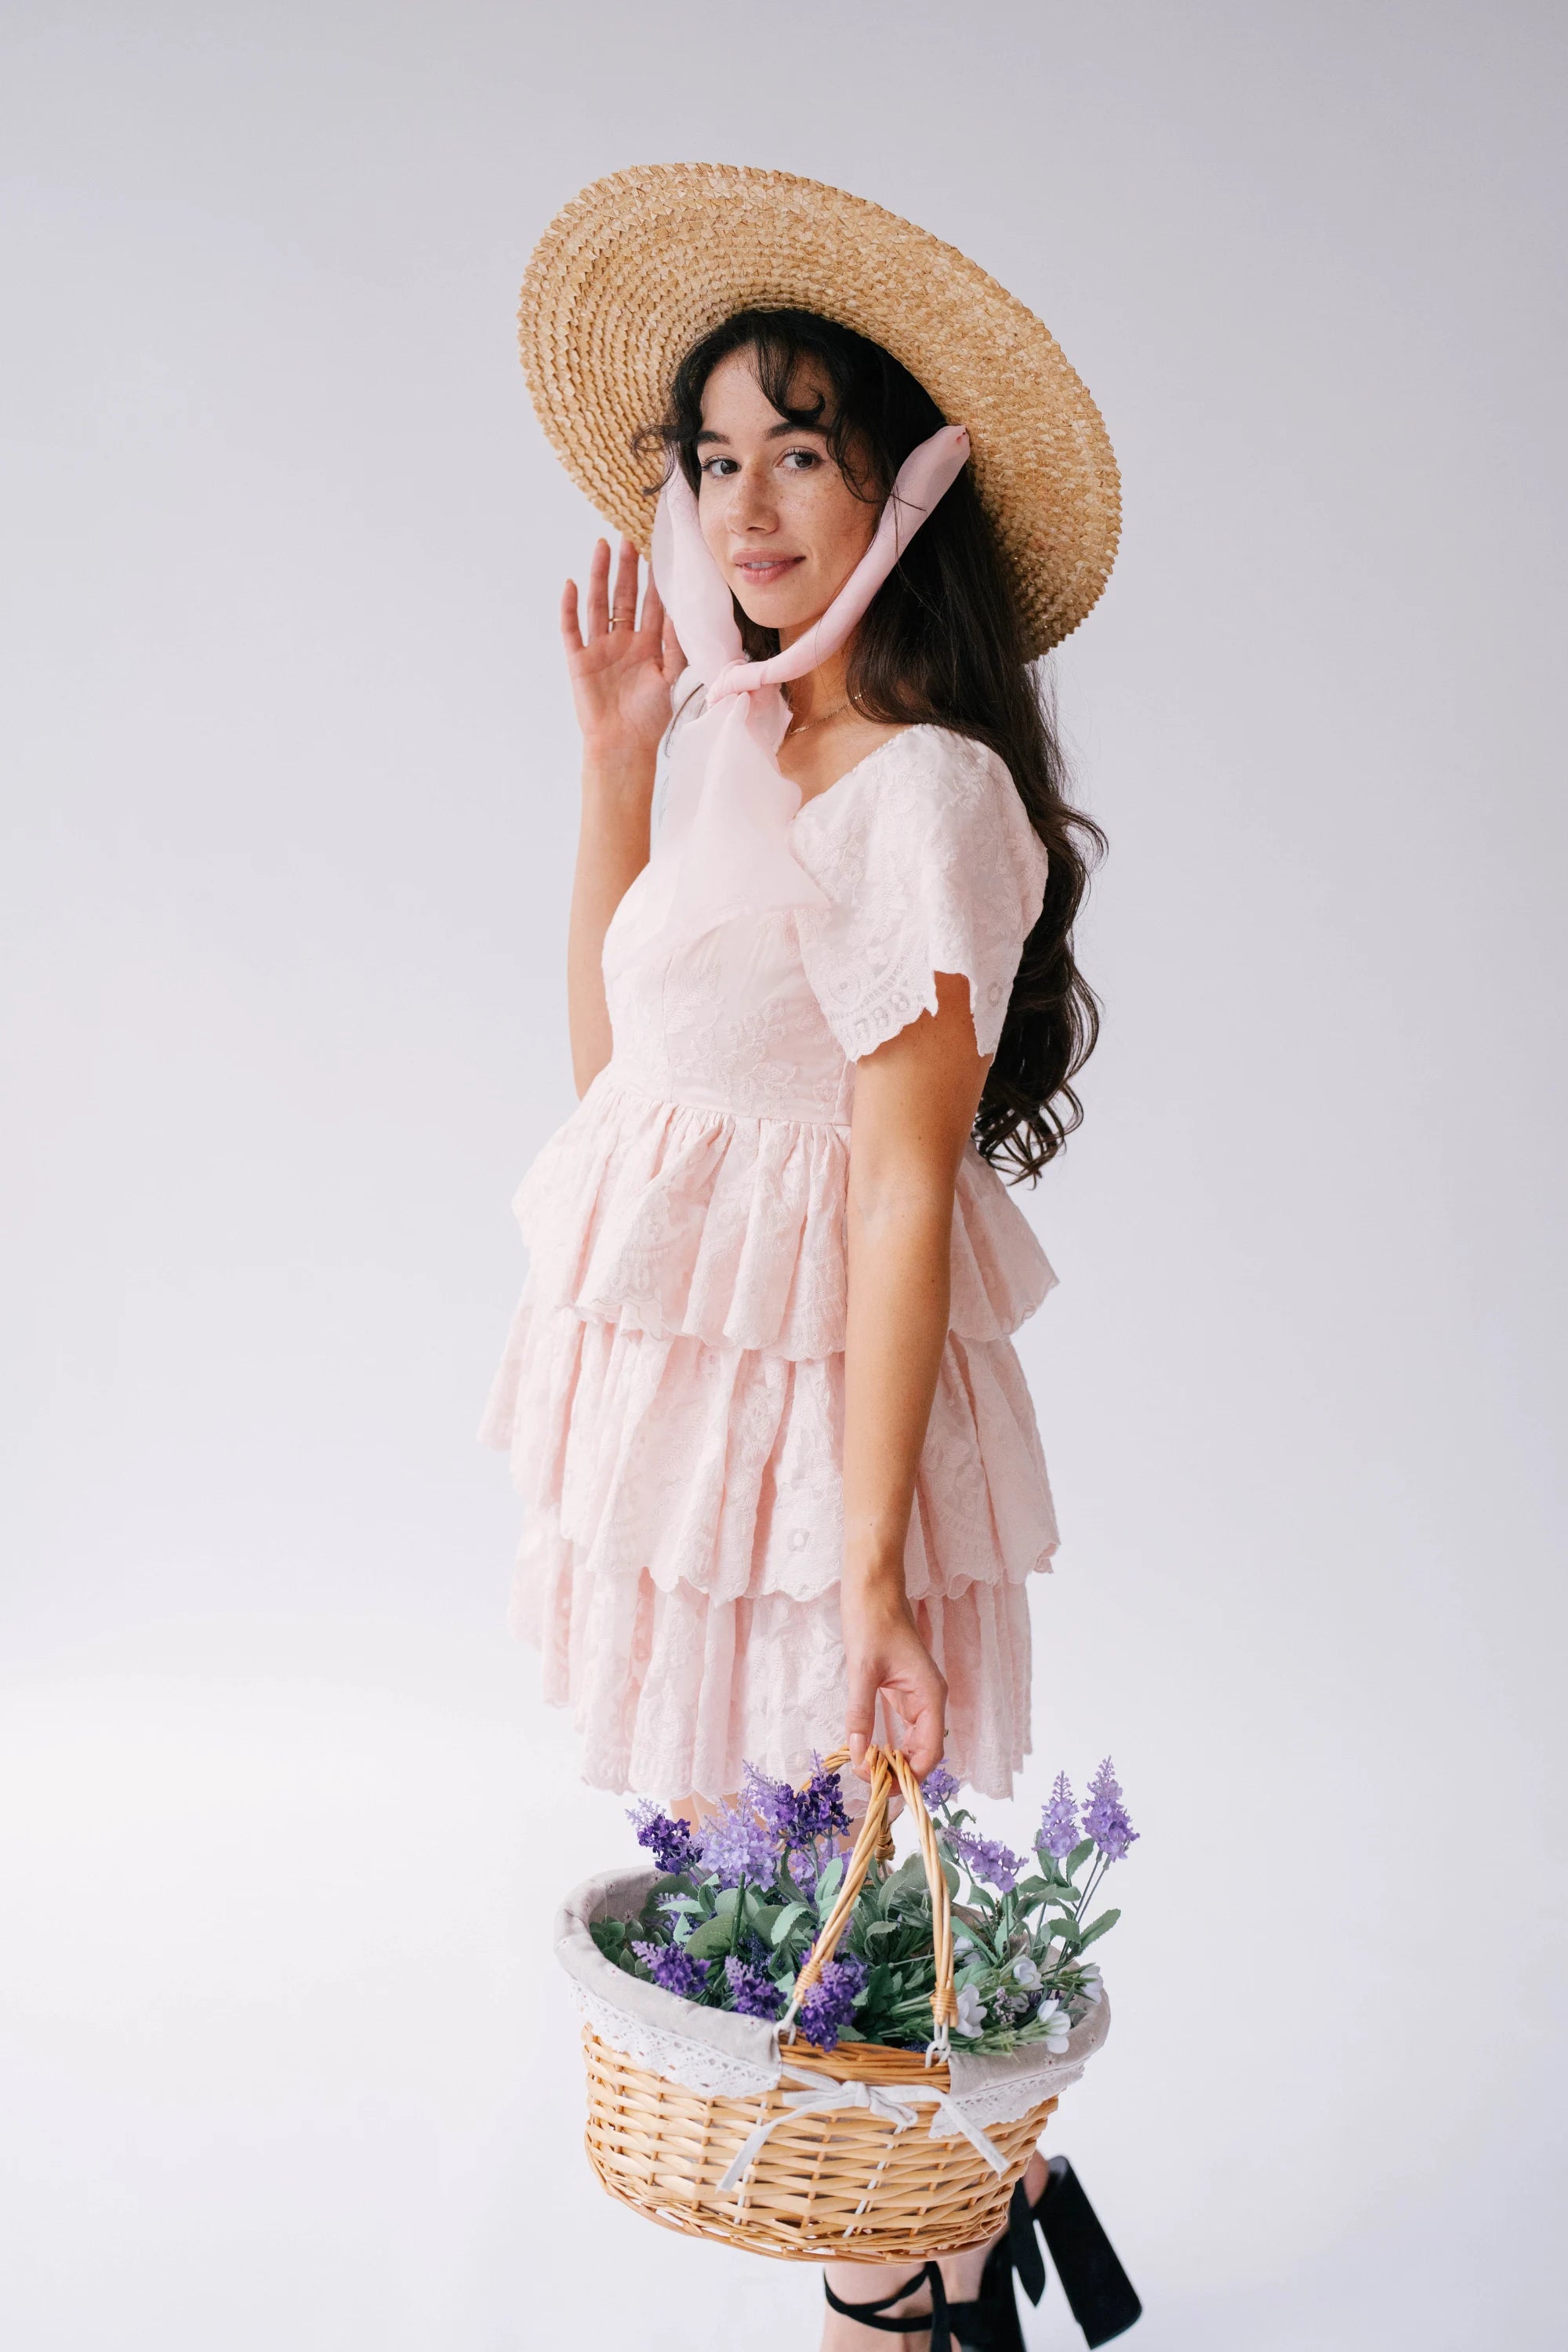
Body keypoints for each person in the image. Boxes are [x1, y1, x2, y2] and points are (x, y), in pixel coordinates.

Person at [482, 165, 1122, 2347]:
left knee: (833, 1922)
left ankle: (921, 2294)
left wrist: (865, 1577)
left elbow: (907, 1188)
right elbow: (629, 1103)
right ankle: (934, 2261)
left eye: (803, 453)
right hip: (696, 1444)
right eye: (715, 459)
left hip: (820, 1438)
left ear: (898, 492)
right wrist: (611, 779)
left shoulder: (923, 793)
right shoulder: (743, 743)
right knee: (772, 1911)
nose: (747, 508)